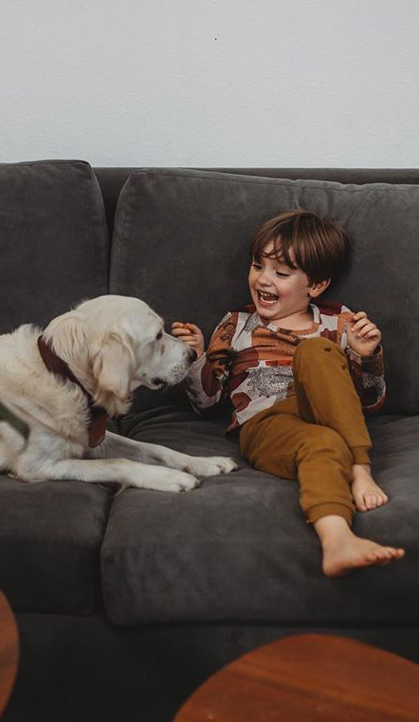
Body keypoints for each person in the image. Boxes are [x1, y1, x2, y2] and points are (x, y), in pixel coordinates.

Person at [173, 210, 404, 577]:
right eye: (257, 266)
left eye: (281, 273)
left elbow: (368, 402)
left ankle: (351, 496)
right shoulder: (236, 325)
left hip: (328, 417)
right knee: (324, 440)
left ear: (316, 286)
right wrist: (195, 356)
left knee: (316, 354)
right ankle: (346, 512)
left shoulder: (339, 323)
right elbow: (207, 402)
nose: (263, 279)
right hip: (267, 423)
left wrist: (366, 355)